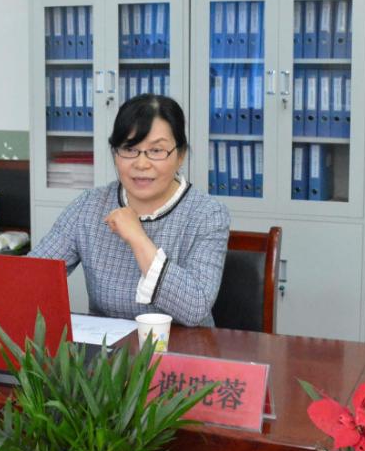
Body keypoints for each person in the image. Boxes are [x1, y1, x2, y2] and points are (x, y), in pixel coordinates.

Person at [30, 94, 230, 327]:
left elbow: (195, 308)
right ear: (115, 154)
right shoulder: (89, 206)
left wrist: (137, 237)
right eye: (129, 149)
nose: (141, 164)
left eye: (156, 150)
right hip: (107, 347)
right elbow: (30, 276)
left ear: (180, 155)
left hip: (181, 346)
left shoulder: (207, 215)